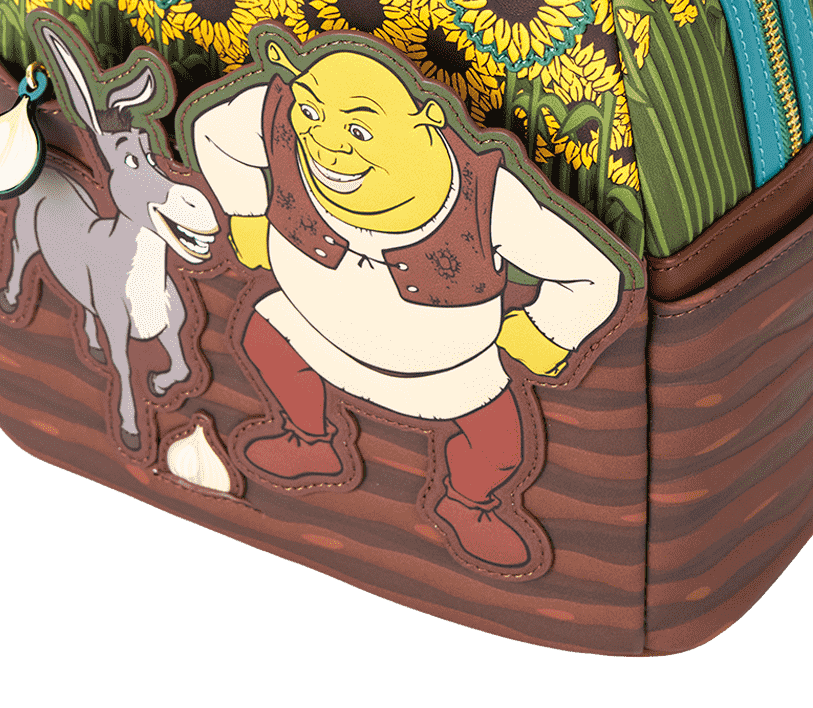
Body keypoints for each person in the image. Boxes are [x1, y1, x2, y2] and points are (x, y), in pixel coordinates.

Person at [191, 38, 622, 567]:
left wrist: (544, 332)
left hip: (450, 373)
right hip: (310, 326)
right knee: (263, 337)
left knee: (499, 446)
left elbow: (593, 274)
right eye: (312, 113)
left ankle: (468, 504)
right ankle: (310, 439)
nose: (326, 144)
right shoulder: (277, 115)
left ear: (428, 121)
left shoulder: (486, 197)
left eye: (358, 130)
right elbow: (214, 132)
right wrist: (246, 212)